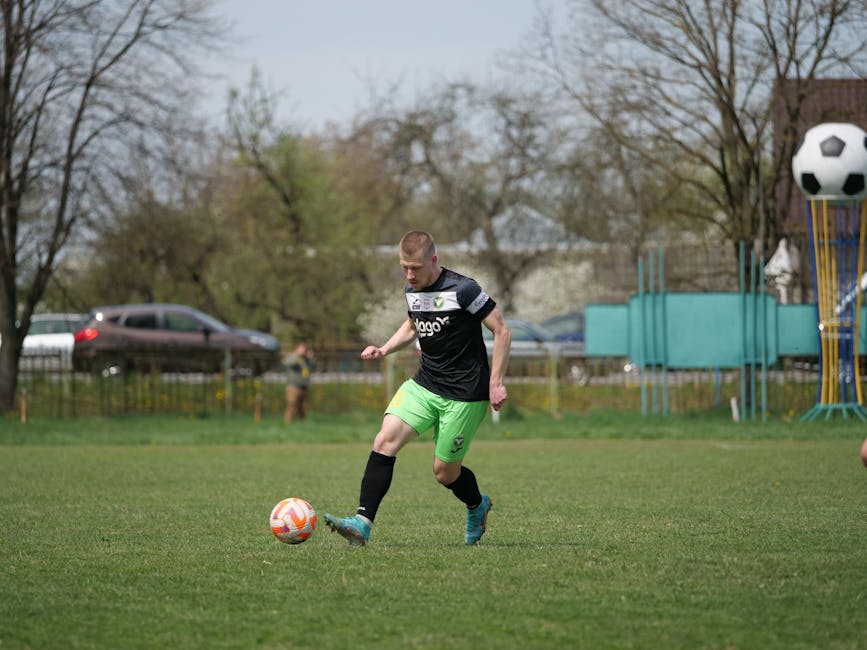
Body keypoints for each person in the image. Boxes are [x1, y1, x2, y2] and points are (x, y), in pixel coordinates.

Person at [324, 230, 511, 546]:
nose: (410, 275)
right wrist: (384, 349)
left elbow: (502, 330)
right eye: (404, 268)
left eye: (416, 268)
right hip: (426, 383)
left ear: (434, 260)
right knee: (385, 439)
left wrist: (496, 383)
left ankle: (478, 505)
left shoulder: (463, 289)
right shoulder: (412, 290)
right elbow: (413, 325)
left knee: (444, 473)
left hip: (465, 393)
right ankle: (362, 523)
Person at [284, 341, 315, 424]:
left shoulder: (306, 359)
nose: (304, 351)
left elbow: (313, 367)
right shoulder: (292, 357)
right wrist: (298, 355)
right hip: (293, 386)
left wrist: (310, 358)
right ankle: (288, 423)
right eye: (302, 349)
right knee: (292, 405)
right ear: (297, 349)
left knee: (303, 407)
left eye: (305, 349)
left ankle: (302, 423)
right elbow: (289, 364)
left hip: (304, 386)